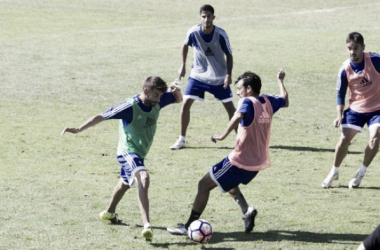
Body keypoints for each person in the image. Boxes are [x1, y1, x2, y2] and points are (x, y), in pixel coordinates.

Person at [167, 69, 289, 235]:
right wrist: (280, 81)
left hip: (239, 161)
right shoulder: (268, 101)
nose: (237, 92)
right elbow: (285, 100)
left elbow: (237, 116)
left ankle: (188, 226)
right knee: (228, 183)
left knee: (203, 185)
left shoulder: (247, 102)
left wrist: (222, 135)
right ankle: (247, 210)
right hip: (257, 164)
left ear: (249, 89)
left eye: (239, 88)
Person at [61, 76, 182, 241]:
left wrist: (177, 90)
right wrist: (79, 129)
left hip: (140, 152)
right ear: (145, 91)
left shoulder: (157, 100)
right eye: (155, 95)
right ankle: (147, 225)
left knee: (125, 183)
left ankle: (109, 213)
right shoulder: (130, 107)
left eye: (160, 96)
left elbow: (177, 99)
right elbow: (102, 116)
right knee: (143, 178)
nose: (159, 99)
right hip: (127, 151)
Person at [170, 4, 235, 150]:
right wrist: (183, 65)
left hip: (218, 77)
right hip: (198, 76)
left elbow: (229, 55)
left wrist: (228, 75)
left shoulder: (221, 34)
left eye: (209, 16)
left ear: (214, 17)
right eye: (203, 16)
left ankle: (241, 141)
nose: (206, 19)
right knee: (186, 104)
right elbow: (185, 45)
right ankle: (181, 139)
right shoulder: (193, 32)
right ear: (200, 17)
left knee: (231, 108)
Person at [322, 32, 380, 188]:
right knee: (343, 140)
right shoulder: (345, 69)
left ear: (363, 48)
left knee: (375, 138)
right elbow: (340, 95)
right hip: (356, 110)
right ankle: (334, 171)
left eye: (356, 48)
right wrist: (339, 115)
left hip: (377, 110)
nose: (352, 52)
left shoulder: (375, 61)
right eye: (349, 48)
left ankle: (360, 173)